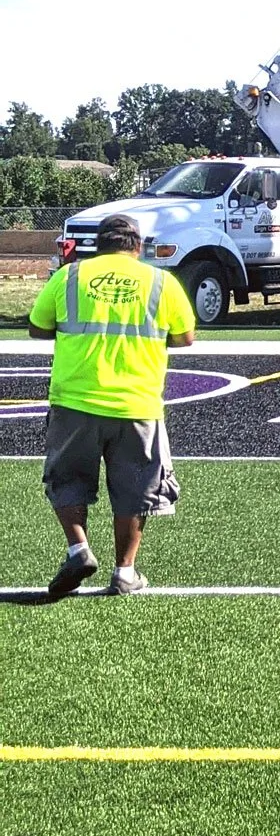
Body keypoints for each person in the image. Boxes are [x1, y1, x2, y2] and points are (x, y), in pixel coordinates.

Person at [28, 214, 197, 599]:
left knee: (66, 479)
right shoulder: (161, 282)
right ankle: (125, 572)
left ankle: (78, 549)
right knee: (135, 490)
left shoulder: (68, 277)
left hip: (75, 400)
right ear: (138, 246)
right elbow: (185, 337)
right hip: (137, 403)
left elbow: (38, 327)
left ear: (99, 245)